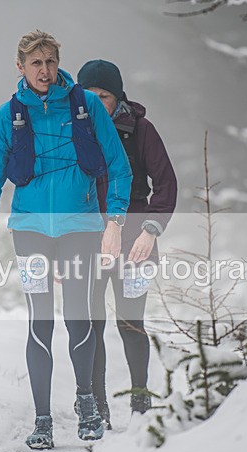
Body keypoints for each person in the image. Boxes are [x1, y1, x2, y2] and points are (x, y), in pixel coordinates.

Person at [0, 32, 131, 449]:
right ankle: (42, 420)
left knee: (78, 317)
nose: (45, 71)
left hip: (81, 228)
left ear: (59, 63)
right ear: (20, 67)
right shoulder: (10, 115)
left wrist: (114, 222)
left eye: (51, 61)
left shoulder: (87, 106)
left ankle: (86, 404)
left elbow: (119, 166)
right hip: (30, 232)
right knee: (39, 321)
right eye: (36, 63)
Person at [76, 59, 178, 428]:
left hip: (135, 238)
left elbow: (166, 184)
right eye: (88, 94)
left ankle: (140, 403)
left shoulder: (141, 129)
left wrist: (151, 230)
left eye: (102, 95)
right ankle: (99, 406)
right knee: (91, 324)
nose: (95, 101)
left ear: (117, 96)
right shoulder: (73, 129)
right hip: (87, 240)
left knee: (130, 323)